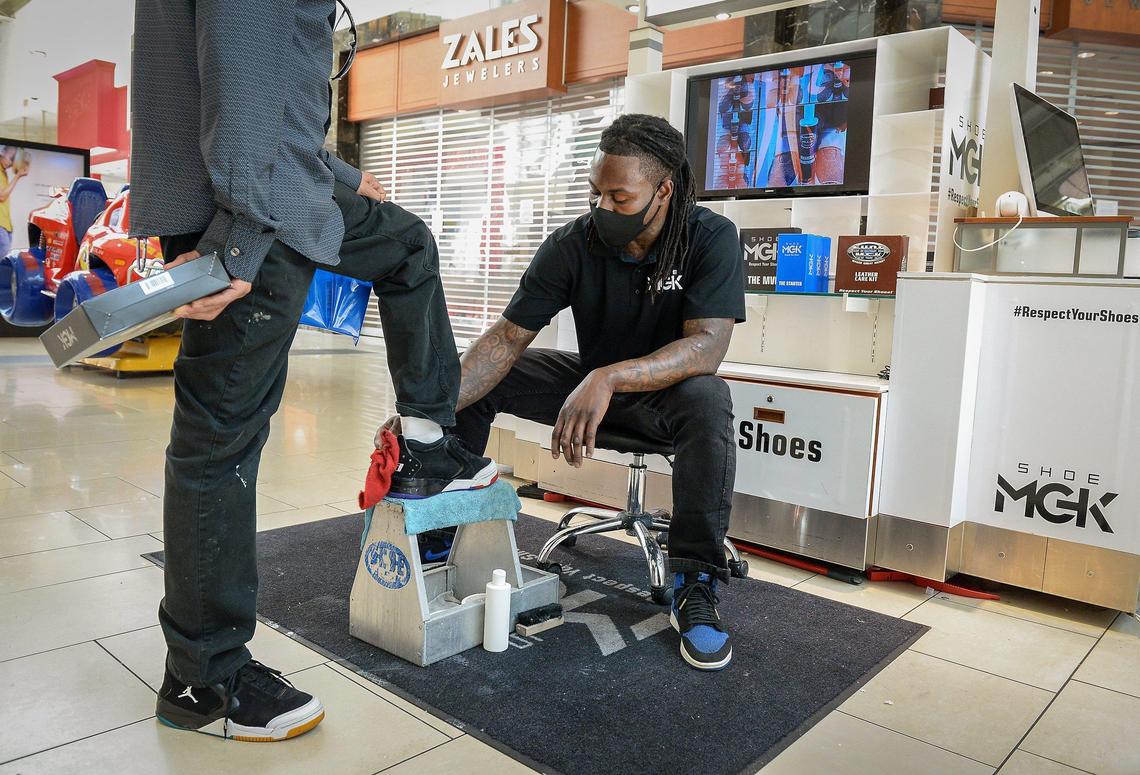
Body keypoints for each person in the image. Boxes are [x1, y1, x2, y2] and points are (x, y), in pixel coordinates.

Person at [129, 0, 494, 741]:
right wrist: (236, 237)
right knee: (218, 440)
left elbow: (241, 86)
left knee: (405, 244)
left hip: (277, 187)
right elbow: (242, 81)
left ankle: (425, 441)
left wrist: (339, 173)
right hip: (254, 212)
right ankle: (206, 677)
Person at [451, 113, 745, 671]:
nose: (603, 209)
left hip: (663, 400)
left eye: (620, 197)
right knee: (497, 376)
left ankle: (695, 584)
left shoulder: (710, 237)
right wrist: (426, 408)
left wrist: (609, 376)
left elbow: (707, 348)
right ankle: (456, 528)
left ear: (665, 190)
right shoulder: (572, 245)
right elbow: (505, 340)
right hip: (586, 390)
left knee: (710, 398)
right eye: (596, 193)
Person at [0, 146, 29, 257]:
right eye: (11, 158)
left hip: (6, 226)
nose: (12, 163)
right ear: (2, 151)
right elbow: (2, 196)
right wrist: (17, 176)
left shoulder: (4, 172)